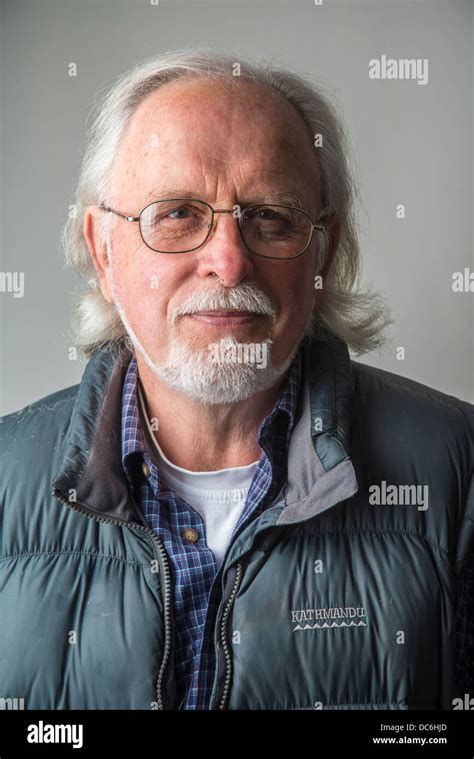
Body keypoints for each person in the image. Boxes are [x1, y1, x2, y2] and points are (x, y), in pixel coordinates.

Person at [0, 48, 472, 711]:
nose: (228, 260)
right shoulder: (3, 474)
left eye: (270, 217)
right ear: (105, 251)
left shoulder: (460, 467)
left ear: (323, 254)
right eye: (177, 213)